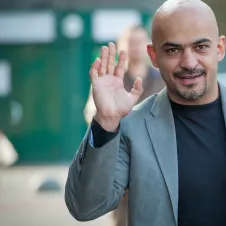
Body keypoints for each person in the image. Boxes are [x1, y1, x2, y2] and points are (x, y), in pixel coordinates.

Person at [65, 0, 226, 225]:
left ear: (219, 49)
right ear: (154, 56)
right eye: (173, 50)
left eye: (200, 47)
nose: (188, 62)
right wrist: (105, 122)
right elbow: (85, 207)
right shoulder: (132, 127)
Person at [82, 25, 164, 226]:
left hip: (157, 160)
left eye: (140, 42)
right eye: (131, 42)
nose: (136, 47)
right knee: (123, 219)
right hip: (121, 159)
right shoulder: (109, 81)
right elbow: (92, 113)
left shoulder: (162, 80)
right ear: (121, 47)